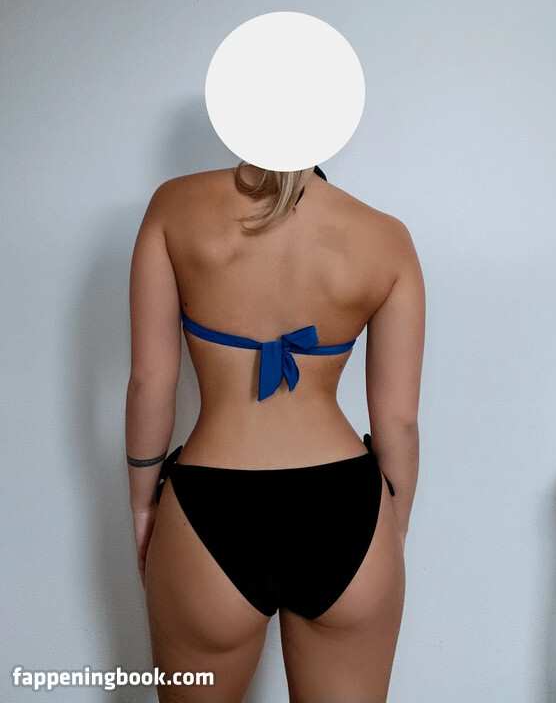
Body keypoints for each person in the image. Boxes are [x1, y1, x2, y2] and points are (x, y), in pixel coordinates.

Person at [126, 160, 425, 703]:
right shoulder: (386, 237)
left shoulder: (173, 206)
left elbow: (150, 382)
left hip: (209, 507)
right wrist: (394, 526)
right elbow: (399, 421)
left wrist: (144, 506)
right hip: (348, 512)